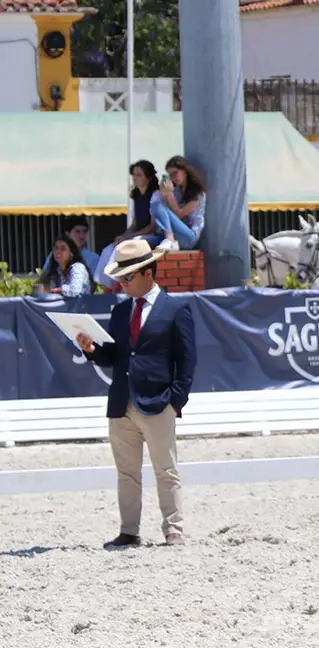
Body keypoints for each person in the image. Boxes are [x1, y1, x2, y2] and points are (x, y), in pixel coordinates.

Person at [75, 238, 197, 549]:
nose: (123, 284)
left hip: (158, 403)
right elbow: (114, 357)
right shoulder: (119, 312)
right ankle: (129, 531)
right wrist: (91, 350)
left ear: (147, 273)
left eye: (127, 277)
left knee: (165, 470)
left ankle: (174, 529)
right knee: (126, 473)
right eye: (120, 278)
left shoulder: (176, 308)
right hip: (121, 404)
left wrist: (175, 401)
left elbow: (187, 360)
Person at [96, 161, 161, 290]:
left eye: (139, 175)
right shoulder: (136, 196)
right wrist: (124, 236)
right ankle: (105, 286)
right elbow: (135, 224)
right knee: (109, 249)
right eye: (134, 175)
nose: (135, 178)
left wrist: (129, 237)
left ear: (148, 177)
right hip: (139, 235)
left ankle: (117, 284)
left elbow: (152, 227)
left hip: (154, 236)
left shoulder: (156, 195)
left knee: (126, 245)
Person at [150, 155, 207, 251]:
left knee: (157, 206)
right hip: (174, 234)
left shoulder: (198, 194)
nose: (173, 177)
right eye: (170, 175)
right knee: (141, 241)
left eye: (175, 173)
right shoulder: (177, 191)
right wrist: (164, 196)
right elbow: (166, 213)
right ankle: (169, 239)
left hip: (189, 237)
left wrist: (169, 195)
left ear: (185, 172)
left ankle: (169, 239)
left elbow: (179, 214)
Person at [37, 234, 93, 298]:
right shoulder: (56, 270)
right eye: (56, 248)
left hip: (81, 307)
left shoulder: (78, 267)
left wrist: (58, 290)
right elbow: (40, 290)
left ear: (71, 253)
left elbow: (75, 291)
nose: (58, 251)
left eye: (63, 249)